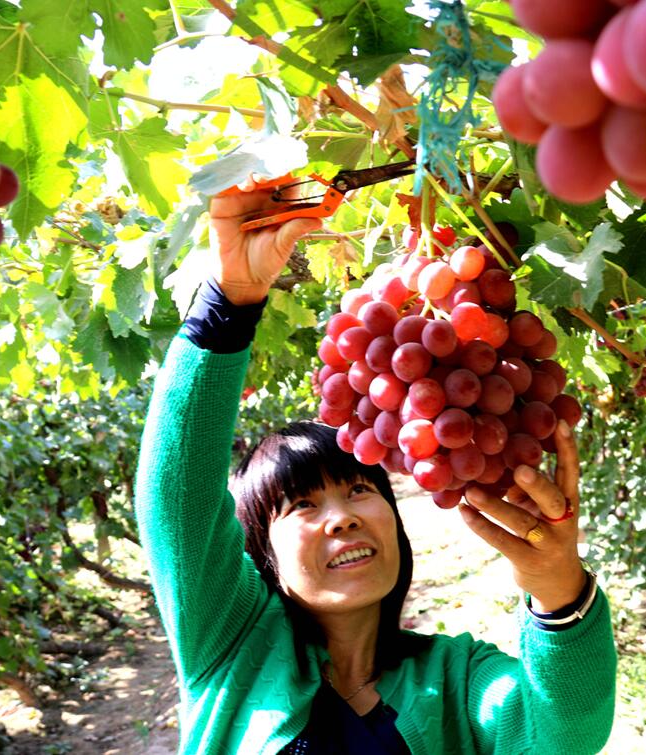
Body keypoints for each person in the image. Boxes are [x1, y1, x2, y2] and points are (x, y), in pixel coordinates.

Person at [135, 176, 617, 754]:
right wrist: (227, 302)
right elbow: (176, 505)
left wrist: (559, 591)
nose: (342, 517)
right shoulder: (232, 649)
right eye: (302, 504)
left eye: (361, 490)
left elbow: (564, 737)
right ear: (263, 551)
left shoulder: (459, 679)